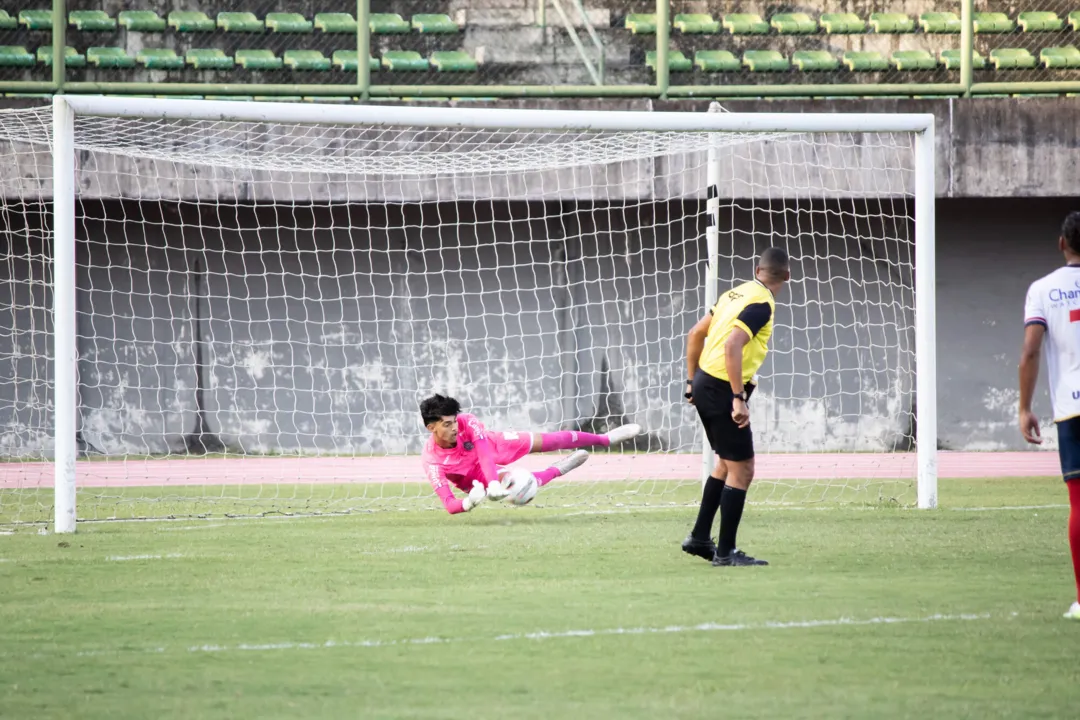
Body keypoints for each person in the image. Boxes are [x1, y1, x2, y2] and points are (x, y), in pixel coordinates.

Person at [680, 247, 790, 566]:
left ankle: (701, 538)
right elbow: (733, 345)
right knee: (743, 469)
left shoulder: (734, 294)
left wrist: (690, 382)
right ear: (787, 275)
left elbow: (695, 333)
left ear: (757, 270)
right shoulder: (762, 303)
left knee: (726, 465)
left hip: (704, 382)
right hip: (721, 388)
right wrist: (738, 398)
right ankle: (726, 553)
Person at [419, 394, 642, 514]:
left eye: (454, 422)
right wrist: (468, 503)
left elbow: (485, 452)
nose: (455, 428)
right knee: (518, 486)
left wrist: (493, 485)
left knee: (550, 440)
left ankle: (605, 439)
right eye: (447, 425)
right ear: (431, 428)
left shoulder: (466, 422)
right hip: (472, 474)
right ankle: (556, 470)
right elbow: (449, 504)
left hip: (490, 445)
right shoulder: (432, 461)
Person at [1019, 210, 1080, 621]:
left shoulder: (1043, 290)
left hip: (1072, 406)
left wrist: (1024, 407)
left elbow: (1030, 351)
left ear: (1062, 243)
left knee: (1079, 504)